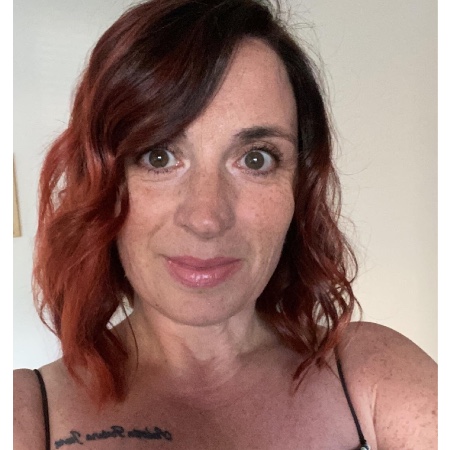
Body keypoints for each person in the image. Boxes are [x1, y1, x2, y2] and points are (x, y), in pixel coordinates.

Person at [14, 0, 437, 448]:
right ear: (102, 183)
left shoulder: (372, 373)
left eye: (256, 159)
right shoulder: (27, 413)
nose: (207, 218)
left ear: (299, 186)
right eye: (158, 156)